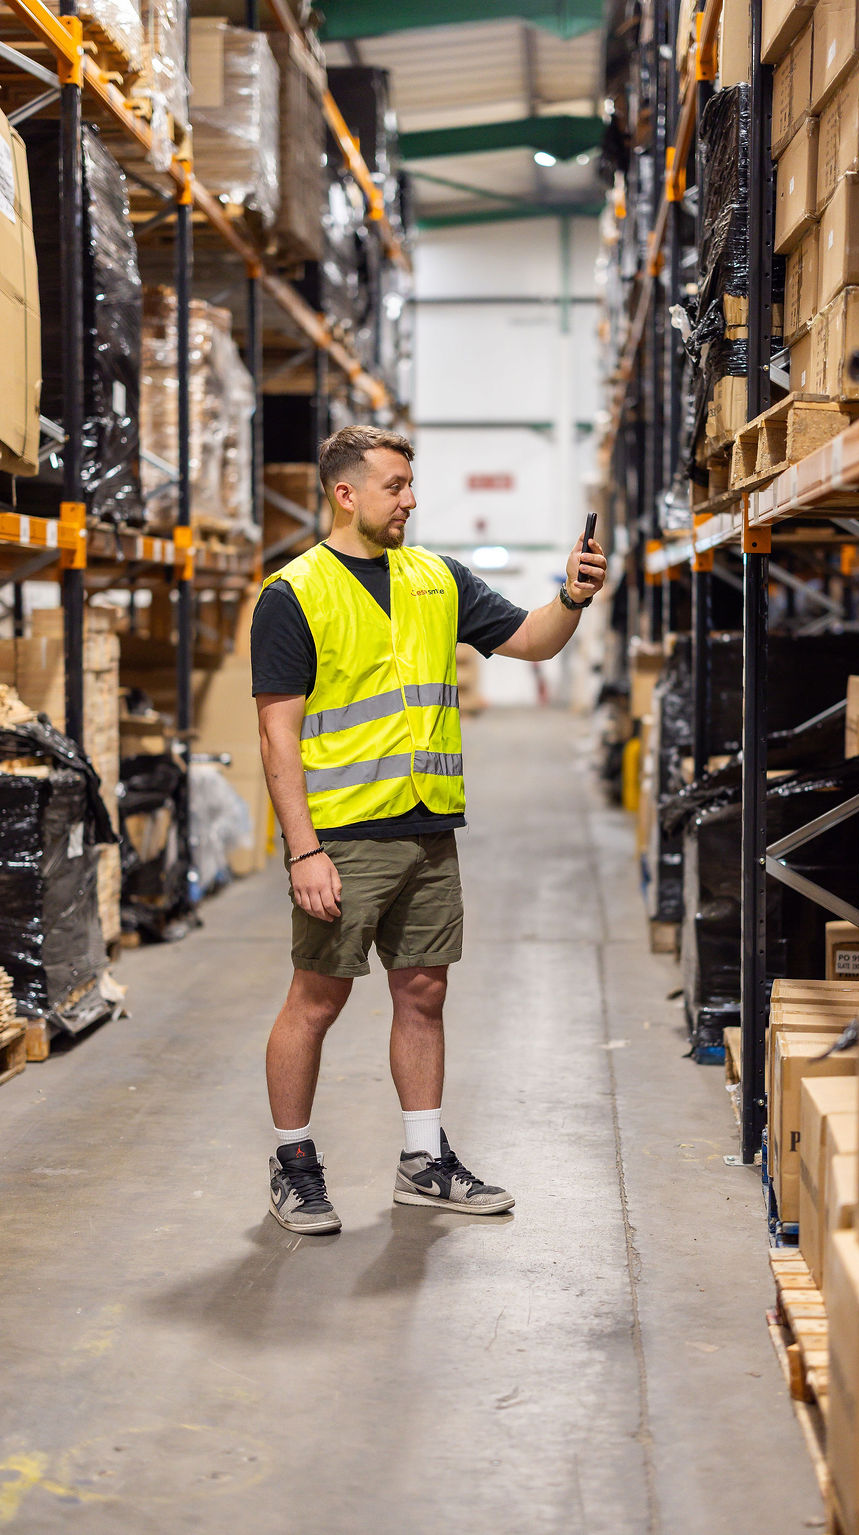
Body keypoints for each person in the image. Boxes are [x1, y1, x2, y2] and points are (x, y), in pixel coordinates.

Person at [250, 425, 607, 1233]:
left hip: (428, 826)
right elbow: (277, 737)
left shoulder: (436, 578)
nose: (411, 498)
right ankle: (293, 1162)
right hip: (341, 837)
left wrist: (574, 595)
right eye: (396, 485)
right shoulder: (293, 592)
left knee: (424, 992)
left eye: (411, 484)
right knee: (317, 999)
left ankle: (424, 1161)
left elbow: (530, 639)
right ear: (345, 493)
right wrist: (303, 848)